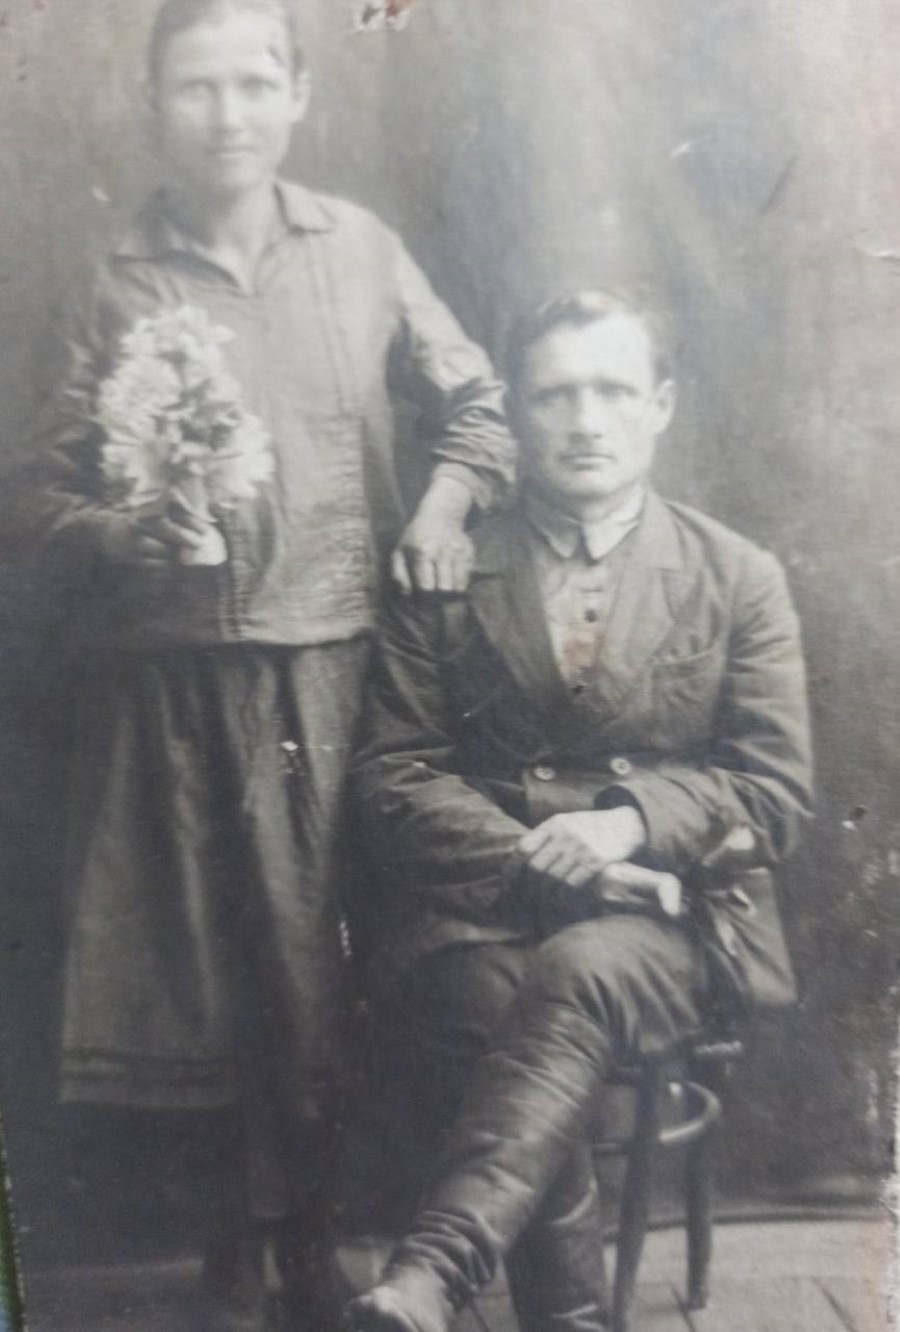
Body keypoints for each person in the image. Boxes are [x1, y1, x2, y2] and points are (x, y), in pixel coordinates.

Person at [3, 1, 514, 1326]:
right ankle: (241, 1241)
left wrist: (443, 509)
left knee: (318, 965)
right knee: (206, 975)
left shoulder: (360, 249)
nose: (226, 114)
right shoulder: (112, 277)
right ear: (153, 103)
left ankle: (315, 1239)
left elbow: (476, 404)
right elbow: (34, 495)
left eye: (252, 82)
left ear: (299, 93)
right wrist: (125, 530)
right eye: (196, 87)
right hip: (166, 682)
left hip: (336, 669)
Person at [347, 288, 812, 1332]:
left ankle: (436, 1267)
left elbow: (774, 792)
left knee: (574, 973)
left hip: (673, 916)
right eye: (555, 395)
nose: (586, 420)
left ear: (662, 405)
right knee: (495, 990)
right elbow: (393, 778)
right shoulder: (446, 571)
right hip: (488, 905)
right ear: (514, 412)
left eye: (613, 390)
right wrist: (539, 857)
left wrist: (628, 823)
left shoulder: (738, 577)